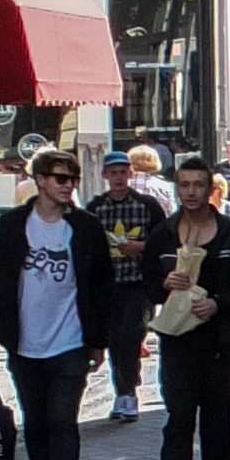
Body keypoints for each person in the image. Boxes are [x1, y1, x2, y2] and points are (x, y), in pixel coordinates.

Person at [0, 148, 113, 460]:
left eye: (73, 179)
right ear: (39, 181)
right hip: (24, 344)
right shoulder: (12, 225)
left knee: (62, 420)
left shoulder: (85, 227)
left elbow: (101, 285)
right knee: (35, 423)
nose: (69, 186)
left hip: (70, 342)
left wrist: (98, 340)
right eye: (60, 178)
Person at [144, 157, 230, 460]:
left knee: (216, 417)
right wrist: (164, 285)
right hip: (177, 339)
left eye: (197, 185)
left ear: (210, 189)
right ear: (176, 188)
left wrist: (218, 304)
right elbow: (146, 285)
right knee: (178, 416)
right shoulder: (163, 234)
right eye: (184, 185)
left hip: (220, 341)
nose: (191, 192)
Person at [89, 149, 160, 420]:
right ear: (105, 175)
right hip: (107, 284)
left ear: (130, 174)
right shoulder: (95, 208)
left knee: (130, 334)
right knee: (114, 337)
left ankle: (127, 392)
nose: (119, 178)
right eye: (113, 173)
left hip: (137, 282)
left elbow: (163, 241)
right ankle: (123, 390)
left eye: (123, 172)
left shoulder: (147, 205)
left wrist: (140, 247)